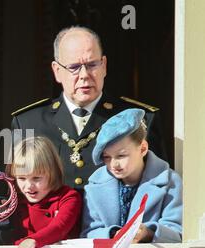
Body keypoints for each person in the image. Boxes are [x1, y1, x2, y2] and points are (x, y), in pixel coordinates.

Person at [10, 26, 167, 193]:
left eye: (92, 64)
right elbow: (15, 191)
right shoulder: (27, 123)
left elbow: (159, 187)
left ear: (104, 65)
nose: (84, 74)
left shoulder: (140, 120)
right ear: (57, 71)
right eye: (74, 67)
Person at [80, 109, 182, 243]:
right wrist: (112, 234)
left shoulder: (171, 182)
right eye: (106, 157)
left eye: (121, 155)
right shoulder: (94, 185)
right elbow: (88, 232)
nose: (114, 164)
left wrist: (148, 233)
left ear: (143, 149)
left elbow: (177, 231)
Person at [3, 136, 82, 248]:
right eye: (22, 178)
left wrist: (29, 242)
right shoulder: (13, 200)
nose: (29, 186)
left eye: (36, 178)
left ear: (53, 173)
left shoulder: (68, 197)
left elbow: (59, 227)